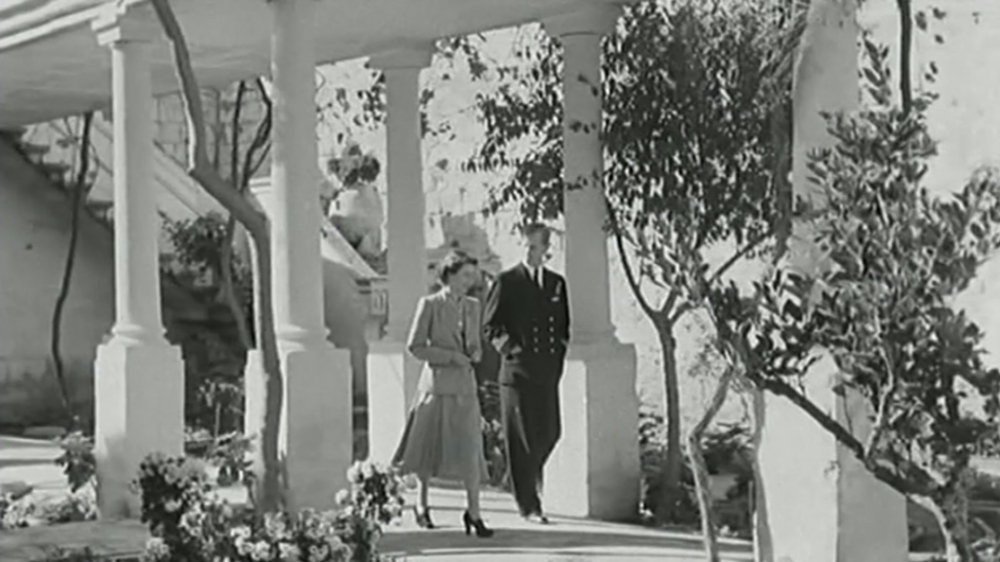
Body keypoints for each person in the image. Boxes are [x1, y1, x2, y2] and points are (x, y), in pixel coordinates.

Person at [392, 250, 494, 538]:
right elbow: (415, 346)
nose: (469, 282)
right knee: (429, 447)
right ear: (449, 275)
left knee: (470, 447)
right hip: (436, 386)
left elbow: (476, 344)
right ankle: (422, 505)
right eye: (464, 276)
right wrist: (450, 357)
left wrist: (475, 352)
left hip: (465, 386)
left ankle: (474, 512)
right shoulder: (429, 305)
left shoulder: (474, 306)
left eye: (471, 277)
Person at [483, 222, 569, 524]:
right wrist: (513, 351)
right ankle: (529, 505)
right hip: (516, 374)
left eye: (535, 246)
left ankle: (524, 481)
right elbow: (490, 326)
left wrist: (558, 356)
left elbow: (562, 328)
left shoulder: (556, 284)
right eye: (525, 246)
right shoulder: (507, 281)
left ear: (546, 249)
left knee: (550, 433)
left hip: (546, 373)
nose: (529, 252)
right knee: (522, 440)